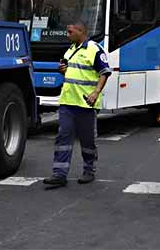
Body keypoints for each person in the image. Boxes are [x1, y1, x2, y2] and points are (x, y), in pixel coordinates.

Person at [43, 22, 112, 188]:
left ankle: (89, 171)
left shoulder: (94, 49)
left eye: (70, 32)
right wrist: (63, 70)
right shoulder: (71, 49)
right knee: (63, 139)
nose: (68, 34)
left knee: (87, 141)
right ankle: (59, 174)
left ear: (80, 31)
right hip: (67, 102)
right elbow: (72, 71)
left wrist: (95, 93)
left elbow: (105, 72)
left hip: (86, 104)